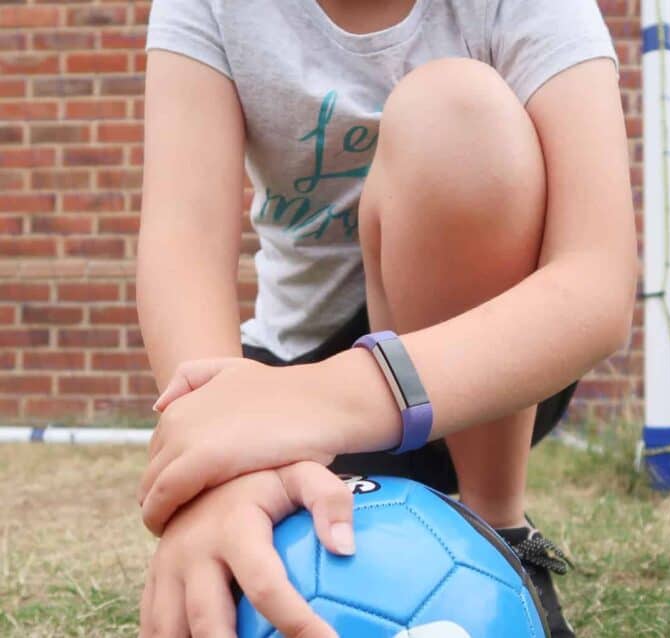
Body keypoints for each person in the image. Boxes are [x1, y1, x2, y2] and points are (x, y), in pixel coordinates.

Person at [135, 1, 637, 636]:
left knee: (455, 112)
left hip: (482, 383)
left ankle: (500, 532)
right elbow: (182, 244)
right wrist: (215, 464)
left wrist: (326, 398)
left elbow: (598, 284)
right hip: (287, 379)